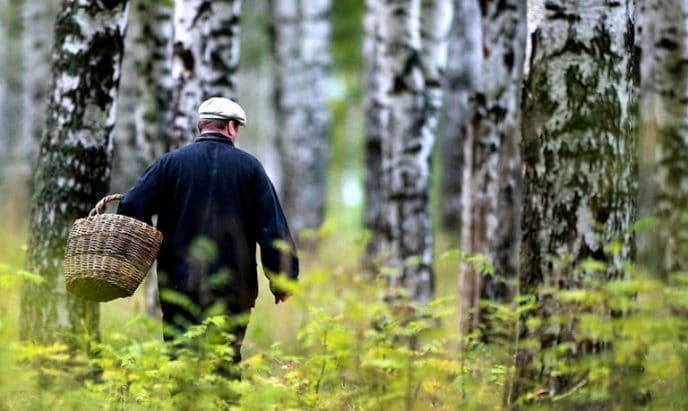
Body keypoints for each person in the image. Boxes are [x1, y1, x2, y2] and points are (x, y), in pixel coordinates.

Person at [118, 97, 299, 369]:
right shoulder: (250, 168)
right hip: (234, 288)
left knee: (181, 362)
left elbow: (131, 204)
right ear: (229, 127)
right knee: (225, 364)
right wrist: (283, 279)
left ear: (201, 126)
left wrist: (147, 246)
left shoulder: (169, 164)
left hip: (178, 284)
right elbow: (271, 228)